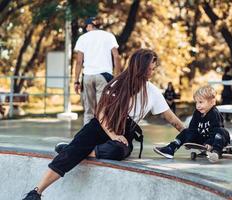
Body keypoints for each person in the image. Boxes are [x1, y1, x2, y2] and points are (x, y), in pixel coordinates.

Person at [22, 49, 185, 200]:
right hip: (102, 124)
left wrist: (191, 136)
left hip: (125, 131)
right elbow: (100, 113)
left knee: (118, 150)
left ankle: (78, 150)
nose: (153, 71)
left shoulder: (153, 92)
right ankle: (36, 192)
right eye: (151, 68)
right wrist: (113, 135)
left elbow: (173, 119)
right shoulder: (117, 84)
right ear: (141, 67)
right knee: (72, 151)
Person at [153, 85, 230, 163]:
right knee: (186, 131)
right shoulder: (197, 113)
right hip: (203, 138)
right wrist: (189, 139)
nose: (198, 106)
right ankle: (170, 149)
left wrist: (210, 143)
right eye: (196, 102)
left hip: (216, 139)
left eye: (200, 102)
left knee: (220, 131)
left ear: (212, 102)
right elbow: (192, 128)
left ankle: (215, 152)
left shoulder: (214, 113)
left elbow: (216, 130)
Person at [74, 17, 122, 125]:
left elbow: (78, 61)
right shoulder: (109, 36)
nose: (86, 29)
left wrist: (76, 81)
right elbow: (117, 57)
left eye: (87, 27)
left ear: (90, 26)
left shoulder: (83, 38)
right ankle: (102, 136)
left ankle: (86, 137)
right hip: (104, 76)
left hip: (87, 77)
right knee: (103, 111)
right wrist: (116, 77)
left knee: (89, 111)